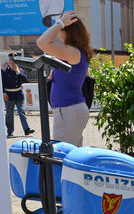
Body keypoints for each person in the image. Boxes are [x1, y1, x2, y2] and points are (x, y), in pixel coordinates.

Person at [36, 10, 93, 146]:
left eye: (61, 28)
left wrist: (59, 23)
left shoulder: (72, 52)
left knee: (63, 156)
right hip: (69, 111)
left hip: (69, 111)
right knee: (70, 156)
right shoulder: (73, 52)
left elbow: (41, 42)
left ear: (67, 31)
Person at [2, 54, 35, 137]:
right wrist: (3, 93)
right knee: (9, 114)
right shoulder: (4, 71)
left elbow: (25, 80)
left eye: (15, 61)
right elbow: (1, 83)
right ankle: (10, 131)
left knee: (21, 111)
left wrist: (18, 72)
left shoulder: (20, 70)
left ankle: (26, 130)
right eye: (12, 61)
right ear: (9, 61)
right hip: (9, 95)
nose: (13, 63)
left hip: (19, 94)